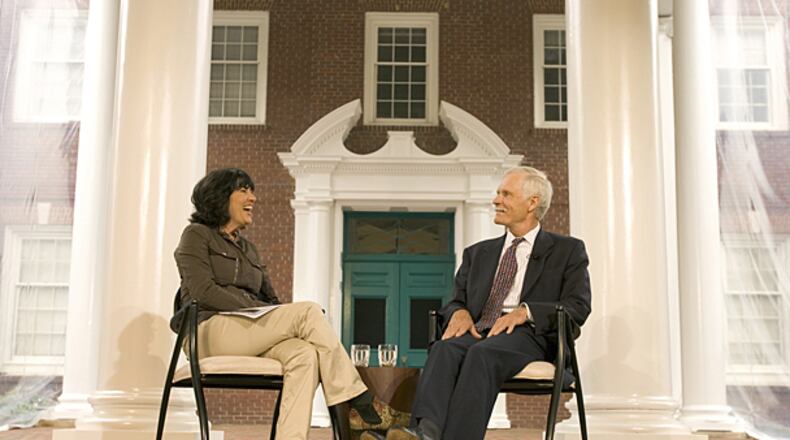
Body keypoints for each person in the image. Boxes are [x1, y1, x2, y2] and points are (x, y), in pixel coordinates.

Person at [171, 168, 390, 440]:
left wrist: (269, 312)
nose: (253, 197)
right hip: (207, 332)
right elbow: (202, 291)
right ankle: (358, 400)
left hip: (248, 330)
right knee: (308, 311)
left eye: (252, 190)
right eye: (244, 190)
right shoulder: (196, 235)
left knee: (304, 354)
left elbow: (272, 301)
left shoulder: (249, 249)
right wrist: (254, 308)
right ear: (219, 196)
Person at [375, 166, 592, 440]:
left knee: (482, 354)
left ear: (532, 203)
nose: (496, 200)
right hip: (482, 331)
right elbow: (455, 300)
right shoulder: (478, 253)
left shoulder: (567, 250)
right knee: (444, 349)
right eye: (498, 193)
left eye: (506, 194)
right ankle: (425, 433)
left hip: (532, 337)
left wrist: (526, 313)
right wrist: (460, 311)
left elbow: (578, 305)